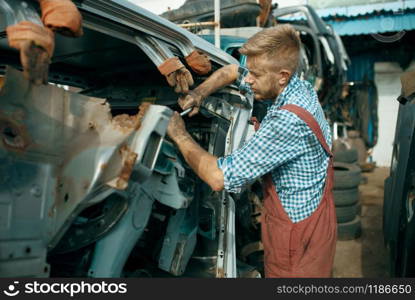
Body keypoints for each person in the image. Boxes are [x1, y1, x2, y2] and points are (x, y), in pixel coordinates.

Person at [166, 24, 337, 278]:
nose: (248, 80)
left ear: (282, 75)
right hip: (315, 220)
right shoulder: (296, 86)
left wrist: (179, 134)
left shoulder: (287, 122)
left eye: (254, 74)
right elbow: (235, 71)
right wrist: (199, 93)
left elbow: (218, 177)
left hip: (296, 244)